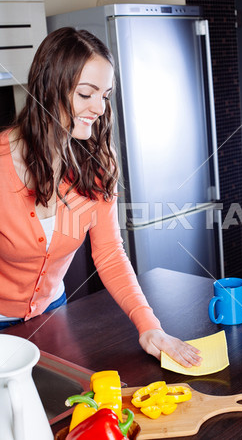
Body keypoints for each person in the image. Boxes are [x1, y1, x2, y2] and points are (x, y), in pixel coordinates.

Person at [0, 27, 202, 368]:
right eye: (86, 94)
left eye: (105, 95)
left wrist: (149, 326)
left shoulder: (93, 165)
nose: (99, 107)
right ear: (48, 89)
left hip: (51, 315)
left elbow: (109, 253)